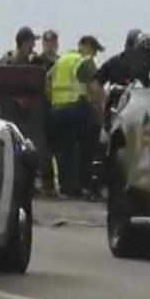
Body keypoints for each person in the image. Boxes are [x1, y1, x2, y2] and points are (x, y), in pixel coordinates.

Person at [45, 35, 104, 199]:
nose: (94, 56)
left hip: (57, 110)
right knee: (84, 148)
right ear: (88, 47)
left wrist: (54, 102)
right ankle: (82, 186)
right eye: (94, 51)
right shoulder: (84, 62)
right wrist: (101, 110)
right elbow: (95, 87)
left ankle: (66, 187)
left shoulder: (62, 60)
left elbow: (47, 82)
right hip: (76, 109)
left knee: (64, 150)